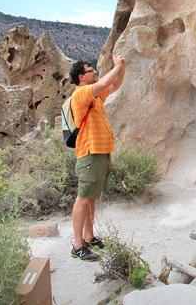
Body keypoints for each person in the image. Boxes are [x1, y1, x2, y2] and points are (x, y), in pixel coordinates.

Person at [67, 55, 126, 261]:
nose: (94, 71)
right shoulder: (81, 94)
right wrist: (116, 65)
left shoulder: (95, 97)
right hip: (89, 153)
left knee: (91, 197)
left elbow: (115, 84)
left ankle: (89, 236)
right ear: (81, 77)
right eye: (90, 69)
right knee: (83, 198)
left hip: (99, 152)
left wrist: (122, 66)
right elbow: (106, 82)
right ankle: (77, 244)